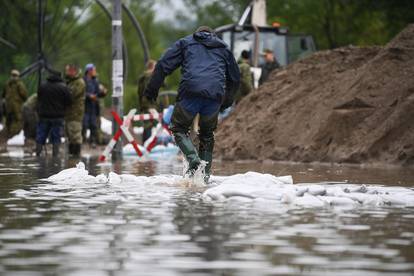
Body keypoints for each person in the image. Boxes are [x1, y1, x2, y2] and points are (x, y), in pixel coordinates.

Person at [144, 26, 240, 183]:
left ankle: (192, 158)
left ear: (197, 33)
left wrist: (152, 90)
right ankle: (204, 178)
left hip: (191, 93)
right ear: (212, 35)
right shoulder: (223, 48)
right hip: (214, 96)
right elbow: (235, 79)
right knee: (207, 135)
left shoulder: (186, 43)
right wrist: (226, 103)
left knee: (178, 128)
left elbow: (163, 64)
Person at [36, 72, 72, 157]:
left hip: (44, 115)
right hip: (58, 116)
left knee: (41, 135)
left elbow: (38, 99)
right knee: (56, 136)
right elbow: (69, 101)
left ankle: (38, 154)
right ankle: (55, 156)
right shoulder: (63, 87)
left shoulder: (43, 86)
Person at [64, 64, 85, 156]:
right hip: (69, 114)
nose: (67, 72)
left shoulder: (79, 82)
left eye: (68, 70)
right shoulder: (69, 82)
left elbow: (72, 95)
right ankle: (71, 156)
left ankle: (76, 157)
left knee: (75, 135)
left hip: (75, 113)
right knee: (70, 135)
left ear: (74, 71)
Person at [2, 69, 28, 139]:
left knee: (8, 119)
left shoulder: (7, 83)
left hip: (8, 105)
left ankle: (7, 133)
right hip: (17, 104)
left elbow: (3, 94)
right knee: (18, 119)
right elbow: (24, 94)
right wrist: (24, 100)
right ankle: (14, 134)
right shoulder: (20, 84)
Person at [82, 63, 103, 148]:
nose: (95, 71)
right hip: (85, 106)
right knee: (84, 125)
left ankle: (92, 141)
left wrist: (102, 93)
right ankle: (82, 141)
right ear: (89, 71)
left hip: (93, 107)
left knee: (93, 125)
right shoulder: (83, 80)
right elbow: (81, 93)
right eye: (93, 70)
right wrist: (89, 96)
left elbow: (98, 93)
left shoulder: (95, 81)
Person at [137, 59, 157, 142]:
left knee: (147, 125)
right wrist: (150, 106)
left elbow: (140, 92)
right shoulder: (149, 76)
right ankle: (147, 145)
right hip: (149, 104)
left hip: (145, 103)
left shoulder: (143, 77)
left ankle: (146, 144)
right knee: (149, 125)